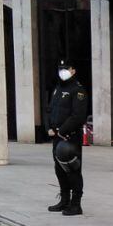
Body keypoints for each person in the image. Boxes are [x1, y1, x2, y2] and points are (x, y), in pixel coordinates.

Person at [45, 59, 90, 216]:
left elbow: (78, 116)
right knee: (59, 169)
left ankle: (76, 203)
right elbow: (50, 109)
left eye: (66, 69)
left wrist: (62, 131)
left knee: (73, 170)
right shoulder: (57, 88)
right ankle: (64, 199)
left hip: (70, 137)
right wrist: (49, 127)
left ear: (73, 71)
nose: (63, 71)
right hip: (57, 136)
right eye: (61, 68)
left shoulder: (78, 91)